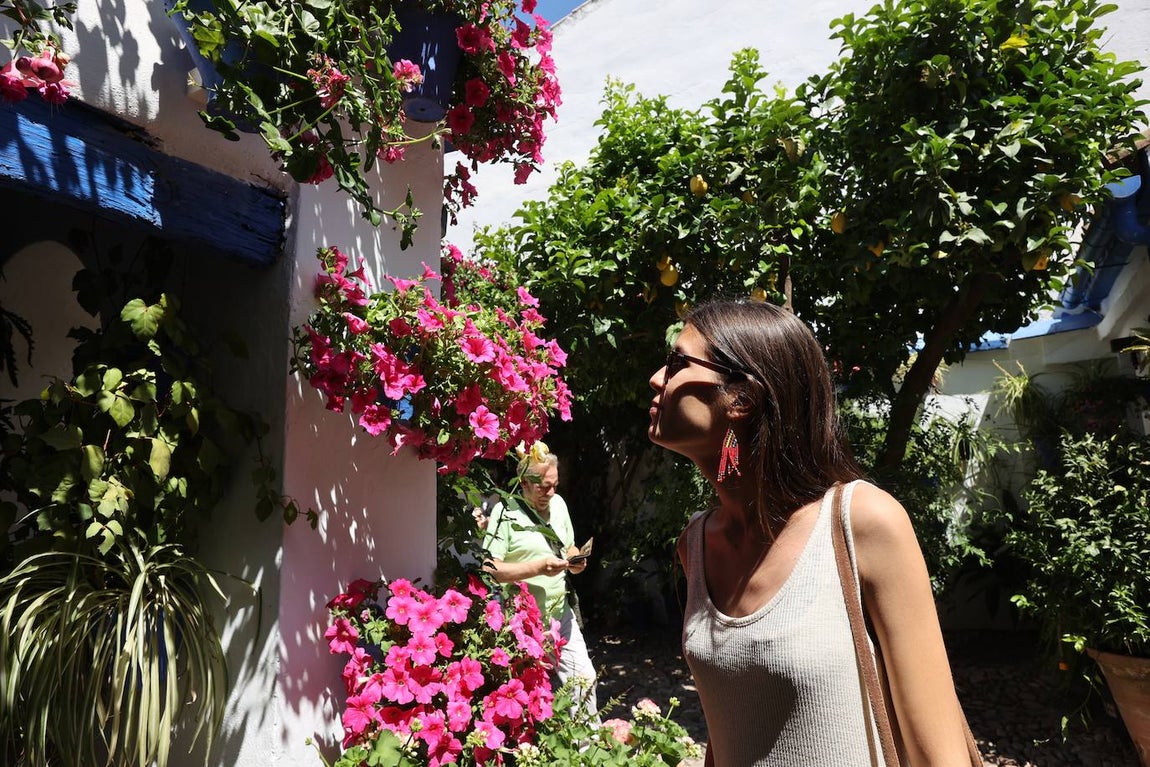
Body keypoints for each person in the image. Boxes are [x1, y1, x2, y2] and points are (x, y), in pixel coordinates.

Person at [648, 300, 972, 766]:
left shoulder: (861, 523)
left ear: (742, 399)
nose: (658, 378)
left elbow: (940, 755)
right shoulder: (695, 545)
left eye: (678, 363)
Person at [481, 442, 599, 717]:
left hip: (560, 615)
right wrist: (537, 568)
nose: (551, 492)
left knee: (585, 681)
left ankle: (588, 752)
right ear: (523, 482)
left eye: (554, 484)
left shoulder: (558, 504)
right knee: (527, 698)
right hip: (523, 623)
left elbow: (566, 545)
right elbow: (489, 568)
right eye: (543, 486)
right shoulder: (505, 512)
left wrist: (575, 560)